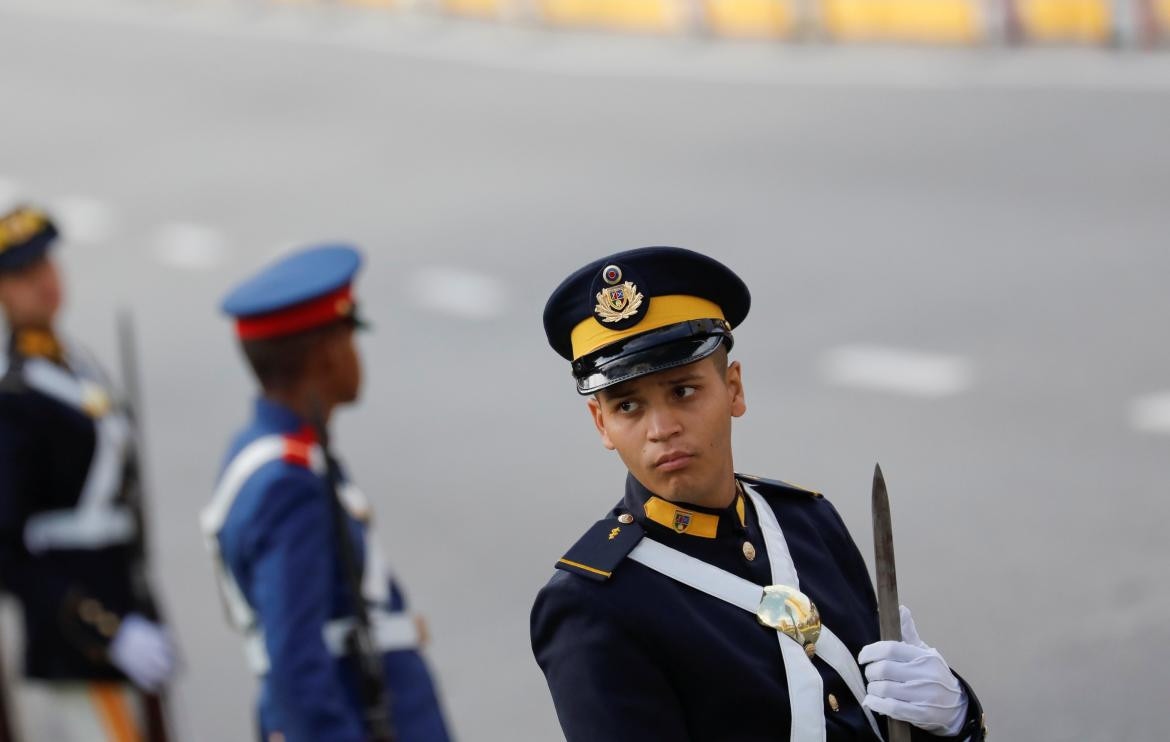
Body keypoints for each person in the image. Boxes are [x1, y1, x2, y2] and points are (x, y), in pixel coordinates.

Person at [531, 246, 988, 741]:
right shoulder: (593, 605)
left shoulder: (805, 520)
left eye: (683, 391)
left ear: (733, 389)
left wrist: (953, 717)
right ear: (602, 423)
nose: (661, 428)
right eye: (628, 406)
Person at [202, 244, 451, 742]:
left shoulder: (268, 450)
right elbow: (296, 662)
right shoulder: (288, 483)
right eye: (350, 337)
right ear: (327, 355)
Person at [0, 205, 176, 741]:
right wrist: (104, 629)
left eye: (48, 267)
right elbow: (7, 550)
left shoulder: (77, 363)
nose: (45, 284)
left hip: (129, 605)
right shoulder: (14, 399)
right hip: (77, 638)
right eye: (25, 276)